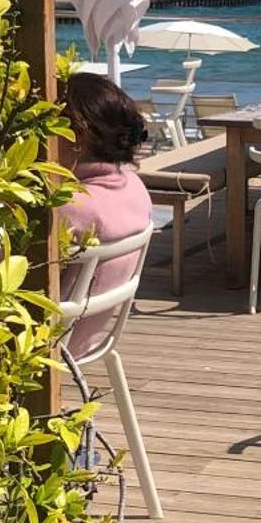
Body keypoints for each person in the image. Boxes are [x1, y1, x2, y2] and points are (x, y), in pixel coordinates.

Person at [58, 72, 155, 358]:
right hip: (85, 337)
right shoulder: (135, 188)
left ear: (76, 136)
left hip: (41, 347)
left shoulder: (70, 208)